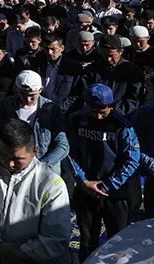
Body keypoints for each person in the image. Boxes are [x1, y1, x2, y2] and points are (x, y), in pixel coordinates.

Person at [0, 119, 72, 264]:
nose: (8, 163)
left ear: (35, 151)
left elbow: (56, 239)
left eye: (17, 159)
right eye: (2, 154)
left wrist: (15, 254)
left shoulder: (51, 184)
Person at [67, 84, 142, 260]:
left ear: (112, 106)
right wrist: (82, 180)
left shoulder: (122, 126)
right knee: (86, 240)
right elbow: (69, 153)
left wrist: (108, 185)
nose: (98, 116)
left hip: (114, 192)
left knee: (118, 241)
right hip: (86, 189)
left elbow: (132, 160)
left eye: (103, 111)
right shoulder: (75, 120)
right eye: (94, 111)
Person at [0, 70, 69, 175]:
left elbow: (63, 145)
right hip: (14, 168)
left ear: (40, 90)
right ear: (16, 89)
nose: (27, 99)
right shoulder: (7, 105)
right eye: (23, 94)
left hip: (45, 171)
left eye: (32, 95)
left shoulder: (51, 109)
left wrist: (41, 165)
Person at [82, 35, 144, 116]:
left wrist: (113, 110)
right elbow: (83, 91)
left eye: (111, 56)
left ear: (120, 51)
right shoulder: (92, 69)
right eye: (104, 55)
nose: (108, 59)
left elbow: (134, 99)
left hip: (120, 117)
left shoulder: (133, 71)